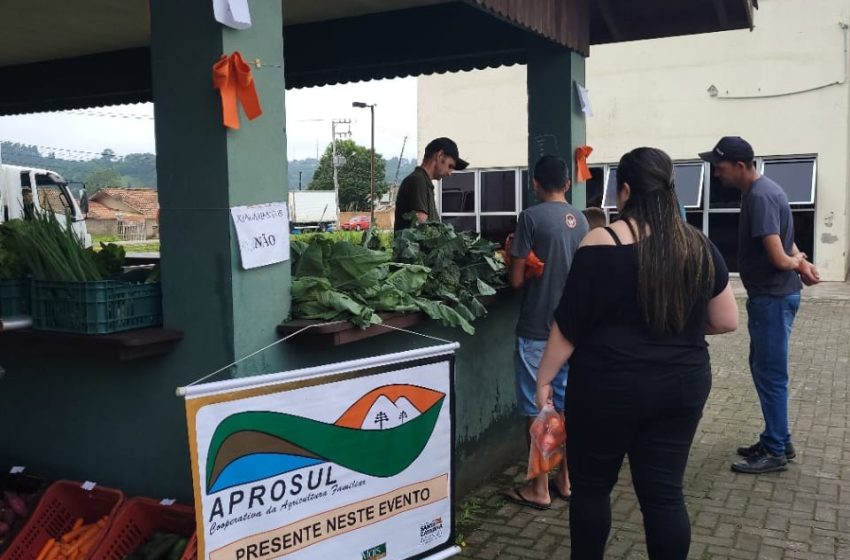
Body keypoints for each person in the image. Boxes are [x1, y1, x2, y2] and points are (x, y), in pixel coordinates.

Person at [535, 147, 738, 559]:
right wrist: (674, 323)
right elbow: (726, 320)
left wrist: (544, 381)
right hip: (680, 387)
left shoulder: (601, 242)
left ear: (625, 190)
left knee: (592, 489)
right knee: (664, 496)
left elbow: (570, 325)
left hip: (607, 388)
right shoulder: (698, 244)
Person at [699, 136, 820, 474]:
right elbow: (787, 243)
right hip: (774, 296)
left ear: (740, 166)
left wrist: (796, 263)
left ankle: (776, 450)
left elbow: (778, 257)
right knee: (764, 368)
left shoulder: (761, 197)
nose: (716, 174)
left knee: (770, 374)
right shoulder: (765, 190)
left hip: (772, 297)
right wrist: (801, 260)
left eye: (719, 168)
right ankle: (777, 436)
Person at [502, 155, 588, 510]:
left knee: (541, 410)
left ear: (535, 184)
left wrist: (514, 260)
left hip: (538, 328)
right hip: (573, 331)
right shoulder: (582, 221)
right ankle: (566, 481)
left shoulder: (530, 218)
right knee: (565, 409)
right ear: (567, 184)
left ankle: (539, 488)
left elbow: (517, 280)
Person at [393, 137, 468, 232]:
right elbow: (423, 227)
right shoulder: (418, 180)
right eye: (450, 166)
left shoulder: (423, 181)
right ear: (439, 156)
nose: (449, 173)